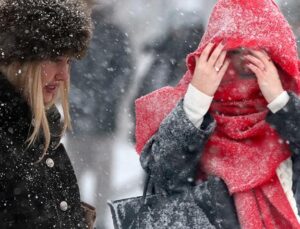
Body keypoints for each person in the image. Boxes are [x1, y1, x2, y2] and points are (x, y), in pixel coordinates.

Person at [135, 0, 300, 228]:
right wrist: (196, 102)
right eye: (234, 51)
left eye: (256, 53)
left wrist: (281, 102)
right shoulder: (196, 111)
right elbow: (163, 178)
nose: (244, 64)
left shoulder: (287, 116)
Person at [0, 0, 95, 228]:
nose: (63, 75)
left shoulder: (42, 132)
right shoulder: (8, 140)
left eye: (69, 61)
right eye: (55, 59)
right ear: (20, 60)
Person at [66, 2, 133, 227]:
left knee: (98, 177)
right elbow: (63, 70)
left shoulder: (115, 33)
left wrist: (105, 99)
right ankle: (74, 218)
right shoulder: (74, 32)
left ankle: (97, 220)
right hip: (78, 120)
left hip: (102, 122)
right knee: (74, 175)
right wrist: (76, 96)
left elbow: (124, 73)